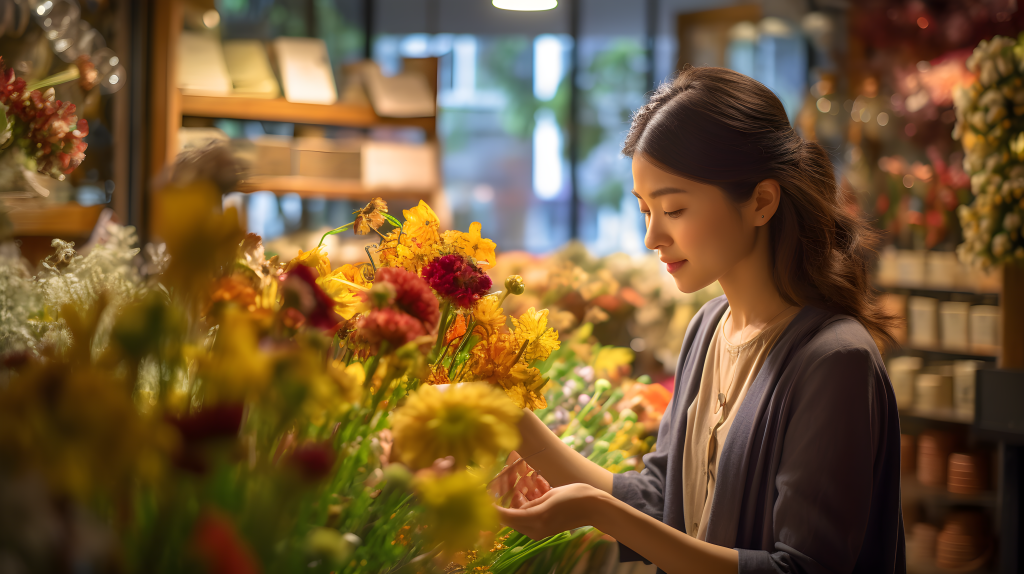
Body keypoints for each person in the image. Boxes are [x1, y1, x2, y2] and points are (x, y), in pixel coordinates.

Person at [491, 65, 906, 574]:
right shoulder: (709, 327)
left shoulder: (834, 359)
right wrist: (512, 420)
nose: (653, 238)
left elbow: (799, 569)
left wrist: (599, 512)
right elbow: (662, 500)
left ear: (761, 202)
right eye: (645, 211)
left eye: (674, 210)